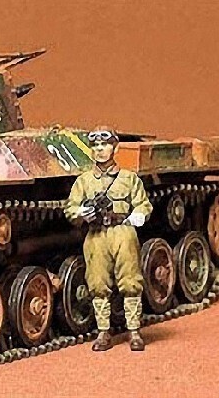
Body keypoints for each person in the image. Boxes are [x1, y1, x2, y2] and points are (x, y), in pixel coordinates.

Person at [64, 126, 153, 351]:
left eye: (105, 144)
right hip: (96, 234)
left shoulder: (128, 178)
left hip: (123, 231)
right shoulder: (84, 181)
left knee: (130, 281)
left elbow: (143, 204)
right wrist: (81, 213)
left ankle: (134, 330)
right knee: (97, 283)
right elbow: (70, 209)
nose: (100, 149)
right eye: (95, 145)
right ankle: (103, 331)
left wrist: (138, 216)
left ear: (115, 148)